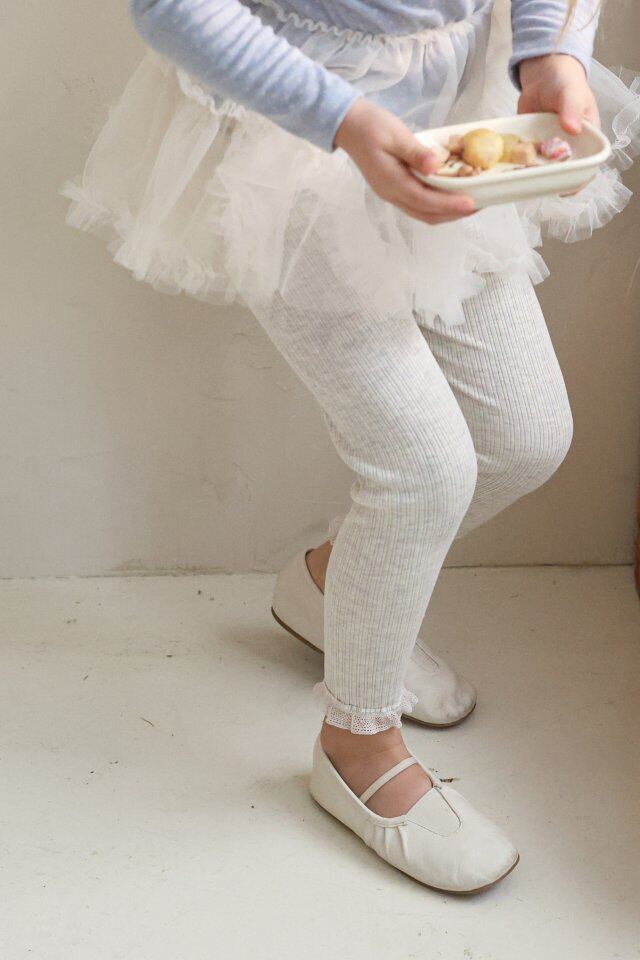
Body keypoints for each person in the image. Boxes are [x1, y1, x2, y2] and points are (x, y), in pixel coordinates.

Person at [61, 0, 639, 893]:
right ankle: (357, 744)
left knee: (528, 437)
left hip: (451, 115)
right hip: (291, 134)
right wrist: (345, 120)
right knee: (422, 470)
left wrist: (550, 54)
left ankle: (332, 587)